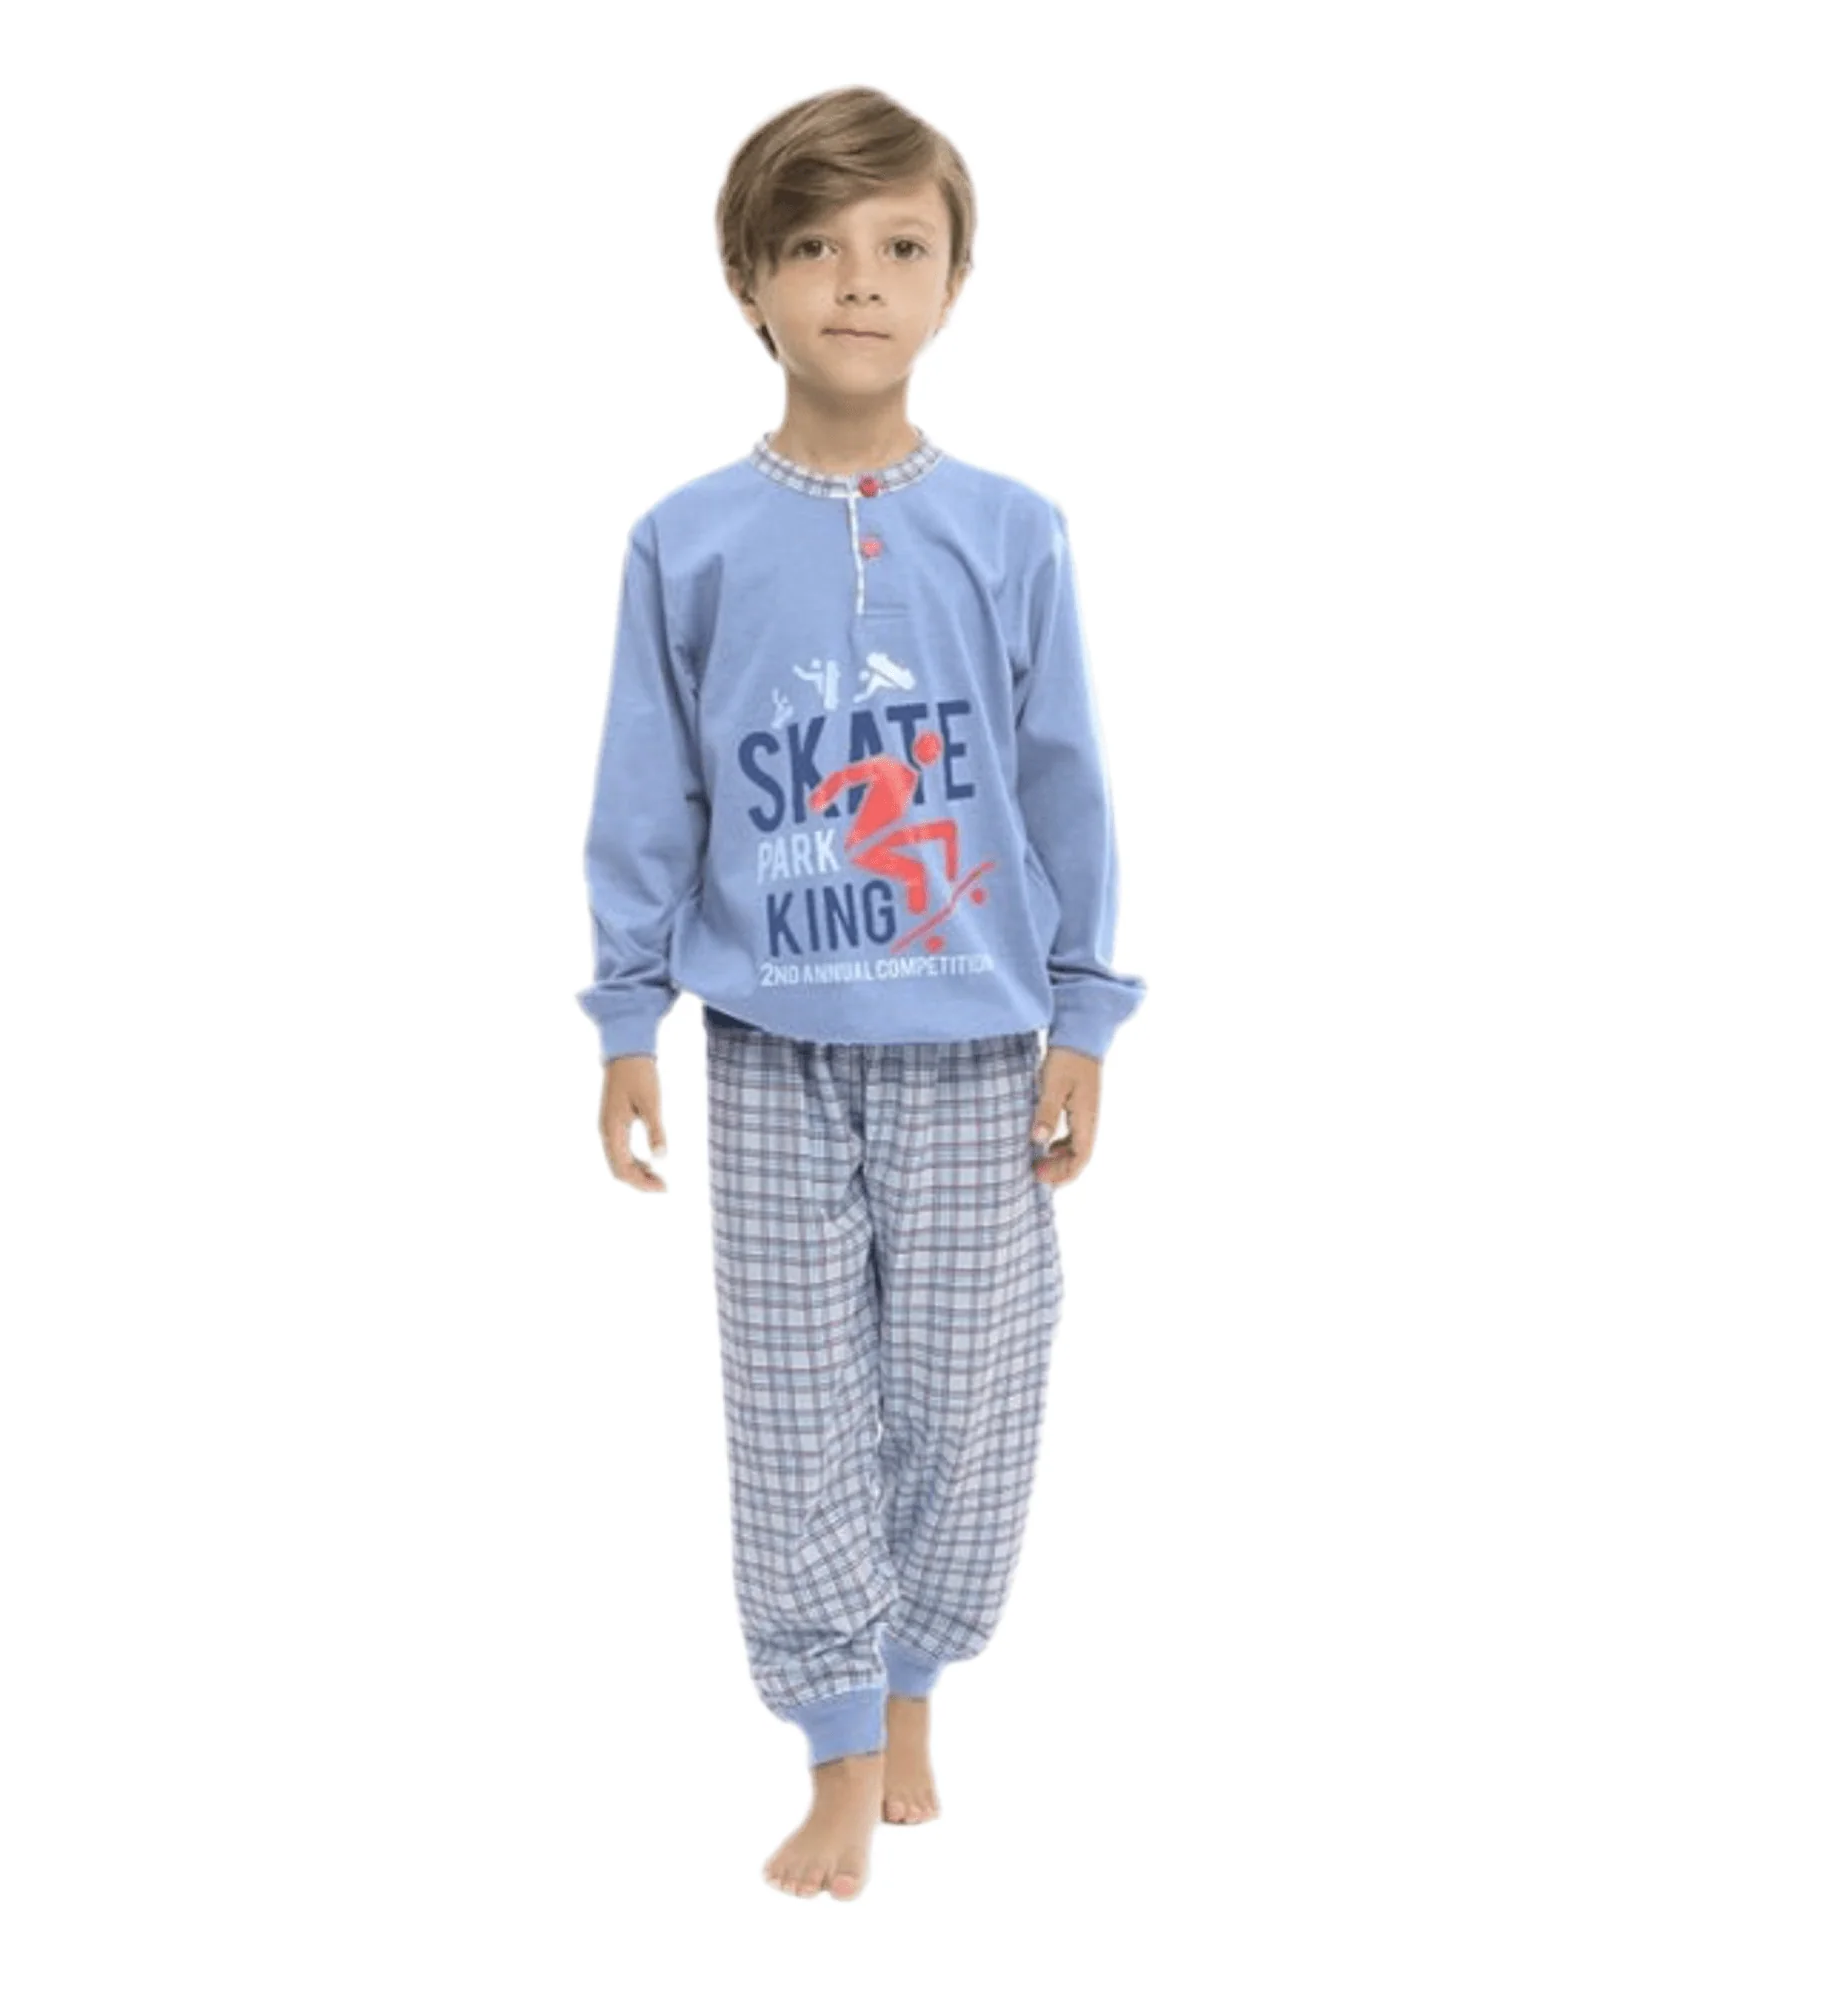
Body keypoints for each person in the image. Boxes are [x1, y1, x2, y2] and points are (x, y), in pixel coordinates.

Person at [575, 86, 1146, 1900]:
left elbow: (1064, 782)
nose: (858, 281)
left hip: (976, 1043)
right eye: (814, 246)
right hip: (768, 1046)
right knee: (795, 1403)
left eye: (902, 246)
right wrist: (625, 1021)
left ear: (956, 282)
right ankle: (836, 1740)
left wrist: (1086, 1013)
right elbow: (646, 788)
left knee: (973, 1396)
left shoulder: (1012, 529)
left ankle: (913, 1683)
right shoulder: (684, 539)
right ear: (748, 279)